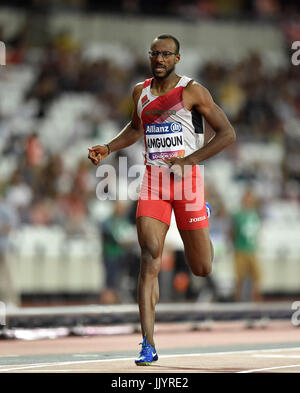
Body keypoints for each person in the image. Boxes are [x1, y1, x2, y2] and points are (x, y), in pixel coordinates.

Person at [88, 34, 236, 366]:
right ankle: (148, 343)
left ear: (177, 59)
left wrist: (189, 160)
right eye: (155, 53)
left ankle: (203, 216)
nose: (159, 59)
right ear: (150, 56)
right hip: (154, 181)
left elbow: (228, 134)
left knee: (202, 268)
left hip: (187, 182)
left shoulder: (192, 91)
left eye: (166, 54)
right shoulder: (139, 92)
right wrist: (108, 147)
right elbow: (136, 129)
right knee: (149, 257)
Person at [231, 189, 262, 302]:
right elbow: (232, 232)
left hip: (252, 250)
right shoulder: (238, 215)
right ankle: (238, 301)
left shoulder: (255, 214)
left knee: (256, 277)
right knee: (239, 278)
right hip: (240, 249)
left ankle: (256, 301)